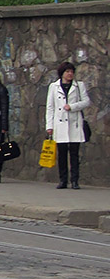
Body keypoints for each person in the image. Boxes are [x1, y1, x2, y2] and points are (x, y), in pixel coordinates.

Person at [45, 61, 91, 190]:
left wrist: (73, 107)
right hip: (59, 124)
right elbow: (50, 107)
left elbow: (86, 102)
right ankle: (63, 180)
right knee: (62, 153)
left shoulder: (78, 86)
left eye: (71, 72)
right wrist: (49, 126)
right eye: (67, 72)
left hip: (74, 123)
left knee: (74, 154)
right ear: (62, 73)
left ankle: (75, 180)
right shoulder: (54, 87)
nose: (70, 74)